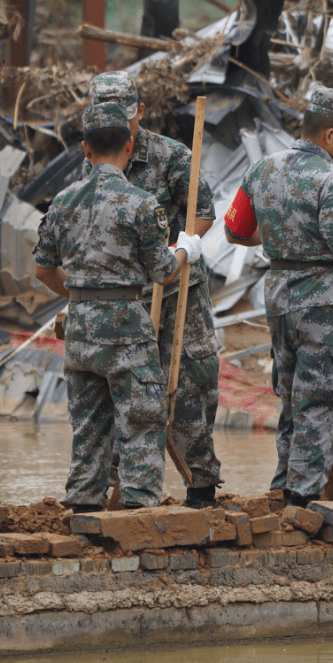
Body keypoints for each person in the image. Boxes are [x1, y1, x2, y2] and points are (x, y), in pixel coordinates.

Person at [223, 86, 333, 508]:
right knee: (320, 396)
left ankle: (283, 486)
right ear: (329, 134)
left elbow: (234, 231)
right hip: (321, 300)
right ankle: (302, 500)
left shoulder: (263, 168)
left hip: (279, 296)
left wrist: (283, 239)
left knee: (291, 396)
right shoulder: (332, 178)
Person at [34, 102, 202, 512]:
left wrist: (80, 294)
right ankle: (138, 514)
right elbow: (163, 273)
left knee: (88, 427)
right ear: (129, 146)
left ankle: (84, 512)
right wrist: (185, 249)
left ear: (85, 150)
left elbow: (42, 270)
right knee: (143, 422)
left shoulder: (62, 202)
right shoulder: (142, 204)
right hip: (127, 326)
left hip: (79, 329)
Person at [87, 71, 224, 508]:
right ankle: (118, 487)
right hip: (124, 298)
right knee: (119, 391)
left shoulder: (171, 156)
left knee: (189, 384)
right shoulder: (91, 158)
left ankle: (201, 484)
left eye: (125, 118)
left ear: (140, 112)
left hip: (178, 290)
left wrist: (179, 250)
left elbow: (202, 212)